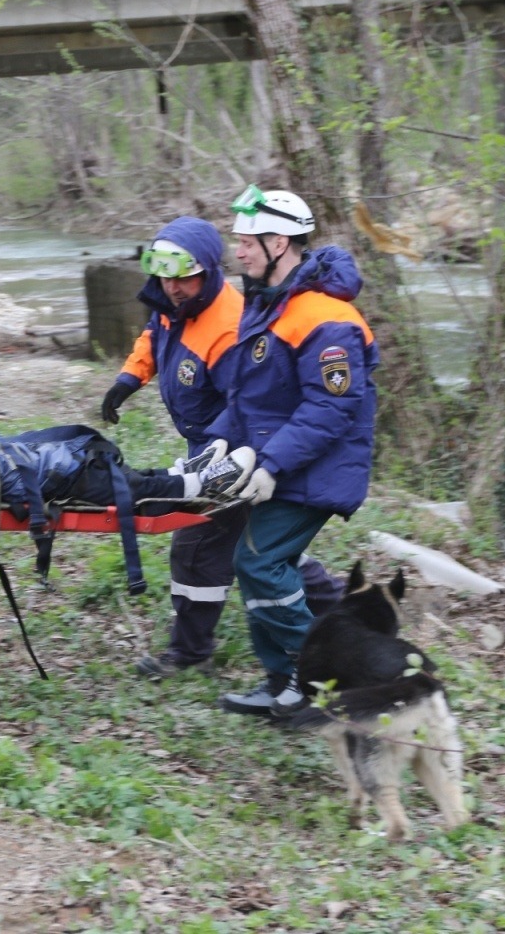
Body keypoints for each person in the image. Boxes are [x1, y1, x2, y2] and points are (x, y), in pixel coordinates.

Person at [100, 218, 345, 681]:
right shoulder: (173, 302)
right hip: (206, 442)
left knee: (198, 545)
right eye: (165, 277)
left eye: (182, 278)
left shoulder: (230, 328)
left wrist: (225, 465)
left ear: (209, 271)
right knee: (262, 548)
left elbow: (253, 405)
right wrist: (129, 379)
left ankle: (192, 651)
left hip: (240, 450)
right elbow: (156, 335)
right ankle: (346, 604)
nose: (172, 288)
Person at [205, 185, 378, 716]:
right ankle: (287, 682)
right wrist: (217, 440)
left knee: (258, 561)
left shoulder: (327, 319)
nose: (239, 251)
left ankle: (328, 685)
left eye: (247, 242)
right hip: (283, 463)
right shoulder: (269, 306)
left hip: (313, 468)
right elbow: (252, 395)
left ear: (280, 243)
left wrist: (272, 463)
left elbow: (331, 407)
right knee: (258, 563)